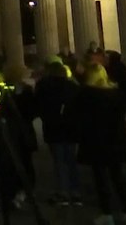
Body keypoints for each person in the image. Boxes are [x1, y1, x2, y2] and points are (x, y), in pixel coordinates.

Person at [75, 63, 126, 224]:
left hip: (96, 140)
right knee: (118, 177)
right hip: (117, 138)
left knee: (101, 178)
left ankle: (107, 213)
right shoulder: (117, 93)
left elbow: (78, 116)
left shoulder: (86, 94)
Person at [34, 57, 82, 206]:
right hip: (71, 128)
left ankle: (62, 192)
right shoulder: (73, 86)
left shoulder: (44, 86)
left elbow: (38, 105)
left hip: (53, 128)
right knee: (71, 160)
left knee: (59, 161)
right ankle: (75, 192)